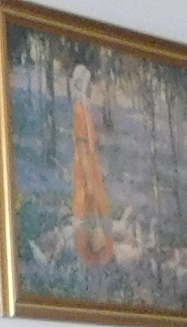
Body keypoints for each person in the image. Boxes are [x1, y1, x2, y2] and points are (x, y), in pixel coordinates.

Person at [70, 63, 113, 266]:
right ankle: (87, 254)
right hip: (85, 165)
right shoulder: (79, 110)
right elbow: (82, 143)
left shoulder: (86, 109)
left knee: (98, 204)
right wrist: (88, 173)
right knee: (86, 203)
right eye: (87, 84)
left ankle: (101, 252)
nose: (90, 88)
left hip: (91, 164)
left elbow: (91, 141)